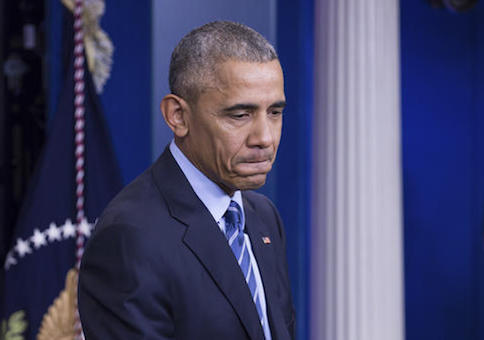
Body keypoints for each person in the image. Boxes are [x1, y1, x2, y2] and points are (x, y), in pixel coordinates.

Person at [78, 21, 295, 340]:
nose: (265, 137)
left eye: (274, 112)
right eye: (239, 115)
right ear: (178, 116)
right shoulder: (129, 238)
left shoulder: (263, 216)